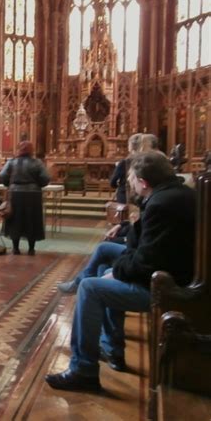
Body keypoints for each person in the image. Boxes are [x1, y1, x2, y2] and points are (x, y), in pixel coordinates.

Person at [45, 152, 196, 392]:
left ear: (143, 182)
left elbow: (147, 261)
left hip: (167, 287)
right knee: (105, 262)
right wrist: (118, 266)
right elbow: (146, 246)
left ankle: (83, 370)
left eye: (132, 178)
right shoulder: (174, 194)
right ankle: (112, 347)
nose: (131, 183)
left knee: (90, 288)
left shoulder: (161, 203)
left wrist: (118, 271)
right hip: (170, 274)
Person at [0, 141, 50, 255]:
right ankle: (31, 249)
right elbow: (45, 178)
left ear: (19, 149)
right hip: (33, 196)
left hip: (15, 195)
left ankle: (15, 248)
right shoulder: (37, 163)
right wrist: (37, 184)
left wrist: (10, 184)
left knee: (15, 221)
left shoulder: (11, 162)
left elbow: (2, 175)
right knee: (32, 221)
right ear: (31, 150)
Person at [109, 133, 142, 204]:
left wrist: (120, 185)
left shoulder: (125, 162)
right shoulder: (148, 160)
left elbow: (112, 182)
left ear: (130, 147)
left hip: (125, 196)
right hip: (143, 196)